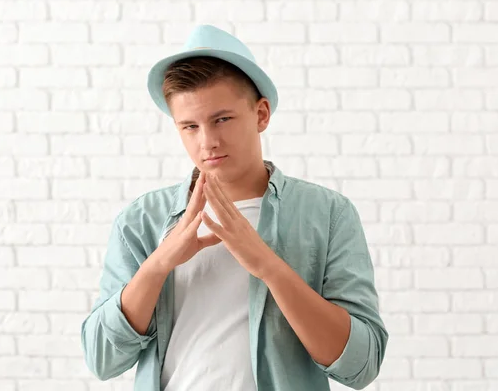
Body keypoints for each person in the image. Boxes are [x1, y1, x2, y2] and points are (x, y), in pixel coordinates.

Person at [80, 24, 388, 391]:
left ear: (261, 115)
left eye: (222, 119)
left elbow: (361, 366)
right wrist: (159, 263)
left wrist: (268, 265)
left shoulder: (328, 214)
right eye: (189, 126)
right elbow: (102, 359)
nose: (207, 141)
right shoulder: (141, 221)